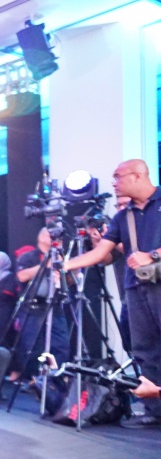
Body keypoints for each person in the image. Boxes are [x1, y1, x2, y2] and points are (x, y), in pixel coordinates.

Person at [63, 159, 161, 428]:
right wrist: (67, 264)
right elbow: (101, 252)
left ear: (138, 175)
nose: (114, 183)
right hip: (136, 288)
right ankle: (155, 411)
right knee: (145, 350)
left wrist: (152, 255)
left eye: (118, 176)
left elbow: (146, 255)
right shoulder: (122, 216)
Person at [10, 226, 71, 382]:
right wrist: (45, 264)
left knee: (61, 344)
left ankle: (56, 380)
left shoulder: (61, 257)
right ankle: (32, 380)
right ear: (42, 238)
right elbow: (22, 276)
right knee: (31, 346)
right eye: (53, 236)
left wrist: (67, 270)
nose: (58, 239)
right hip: (32, 308)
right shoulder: (28, 257)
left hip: (55, 307)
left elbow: (69, 282)